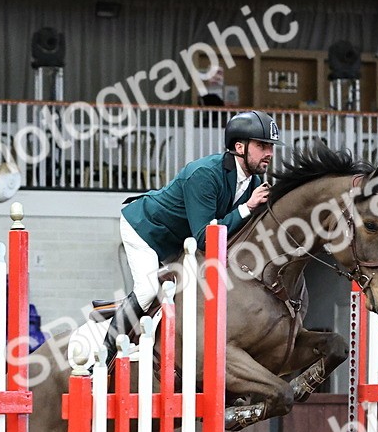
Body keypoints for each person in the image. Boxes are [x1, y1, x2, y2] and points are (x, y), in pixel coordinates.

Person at [97, 109, 282, 356]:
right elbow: (205, 238)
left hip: (181, 238)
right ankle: (104, 356)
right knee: (148, 289)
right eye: (262, 145)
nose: (269, 153)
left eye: (270, 146)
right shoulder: (205, 174)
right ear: (240, 147)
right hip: (146, 228)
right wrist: (247, 208)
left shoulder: (255, 184)